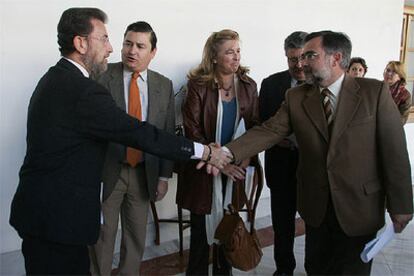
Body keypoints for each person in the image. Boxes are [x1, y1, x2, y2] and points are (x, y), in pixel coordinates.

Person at [8, 8, 230, 275]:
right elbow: (139, 133)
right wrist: (204, 151)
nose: (111, 48)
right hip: (58, 222)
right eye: (103, 39)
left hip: (45, 215)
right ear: (80, 43)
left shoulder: (55, 78)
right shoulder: (83, 90)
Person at [221, 31, 413, 275]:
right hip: (316, 208)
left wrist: (402, 204)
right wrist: (227, 152)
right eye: (300, 57)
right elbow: (268, 131)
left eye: (310, 55)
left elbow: (394, 152)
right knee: (317, 268)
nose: (301, 63)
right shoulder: (296, 96)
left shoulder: (373, 93)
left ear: (336, 58)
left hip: (360, 208)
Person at [88, 21, 175, 275]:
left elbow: (166, 133)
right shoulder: (102, 75)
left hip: (143, 173)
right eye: (127, 43)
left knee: (136, 237)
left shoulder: (163, 85)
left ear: (153, 52)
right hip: (107, 171)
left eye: (140, 46)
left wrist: (163, 176)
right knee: (102, 236)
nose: (131, 51)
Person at [177, 29, 261, 275]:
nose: (236, 57)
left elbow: (255, 128)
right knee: (201, 239)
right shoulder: (198, 85)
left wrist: (244, 159)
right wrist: (220, 162)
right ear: (214, 57)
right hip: (203, 170)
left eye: (238, 51)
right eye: (229, 52)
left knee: (229, 232)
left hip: (235, 170)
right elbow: (192, 131)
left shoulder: (248, 86)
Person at [259, 31, 307, 276]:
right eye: (291, 59)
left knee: (314, 224)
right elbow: (262, 124)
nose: (297, 65)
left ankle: (314, 268)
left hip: (311, 168)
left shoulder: (320, 84)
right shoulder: (271, 84)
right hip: (280, 164)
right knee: (282, 224)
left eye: (301, 58)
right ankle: (284, 269)